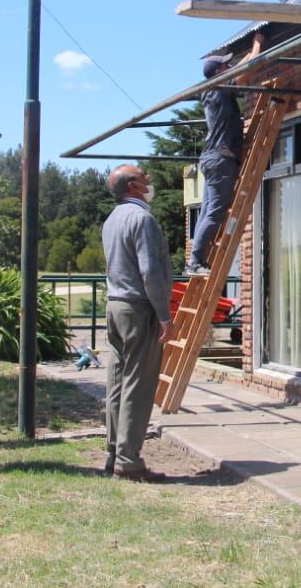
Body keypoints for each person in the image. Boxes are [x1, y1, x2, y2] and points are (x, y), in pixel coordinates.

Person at [102, 164, 174, 481]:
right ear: (132, 186)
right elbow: (151, 272)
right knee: (138, 385)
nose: (149, 181)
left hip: (115, 306)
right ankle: (128, 461)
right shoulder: (142, 219)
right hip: (138, 308)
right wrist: (164, 315)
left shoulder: (112, 219)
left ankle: (113, 452)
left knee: (117, 383)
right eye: (144, 177)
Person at [185, 32, 265, 276]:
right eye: (226, 65)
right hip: (220, 160)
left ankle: (196, 259)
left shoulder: (212, 89)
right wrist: (258, 46)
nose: (230, 65)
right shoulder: (219, 89)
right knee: (216, 211)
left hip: (212, 158)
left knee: (209, 211)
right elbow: (244, 73)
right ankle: (196, 261)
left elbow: (235, 71)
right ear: (220, 72)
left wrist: (249, 53)